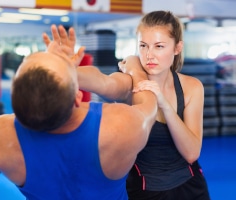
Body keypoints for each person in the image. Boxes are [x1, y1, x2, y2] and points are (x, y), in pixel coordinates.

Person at [0, 38, 157, 199]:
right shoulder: (123, 125)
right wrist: (135, 70)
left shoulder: (1, 137)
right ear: (78, 96)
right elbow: (149, 103)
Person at [43, 10, 210, 200]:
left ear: (177, 48)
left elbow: (191, 152)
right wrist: (65, 69)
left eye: (159, 46)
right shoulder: (130, 83)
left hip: (191, 188)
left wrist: (164, 104)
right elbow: (102, 82)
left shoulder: (191, 87)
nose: (149, 55)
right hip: (144, 191)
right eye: (143, 46)